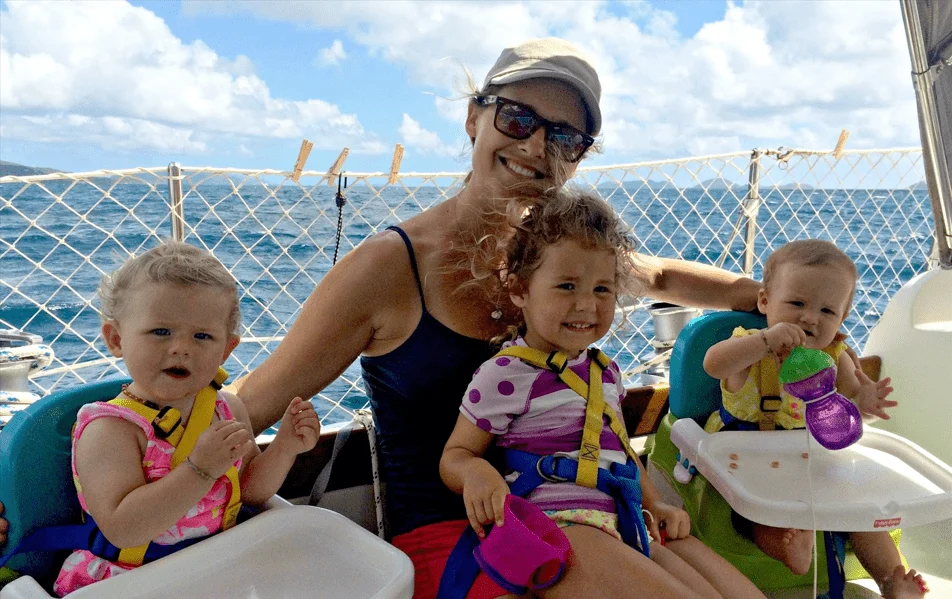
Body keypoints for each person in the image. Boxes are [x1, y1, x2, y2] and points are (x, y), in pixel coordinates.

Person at [233, 38, 765, 599]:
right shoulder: (391, 267)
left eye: (564, 137)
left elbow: (657, 278)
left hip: (588, 507)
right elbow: (257, 399)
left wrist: (771, 303)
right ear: (473, 117)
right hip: (462, 534)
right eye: (518, 118)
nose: (537, 146)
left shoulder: (560, 257)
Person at [440, 188, 768, 599]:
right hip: (559, 525)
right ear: (520, 289)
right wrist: (474, 472)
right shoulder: (504, 374)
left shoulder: (605, 371)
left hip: (626, 520)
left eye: (601, 290)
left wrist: (656, 505)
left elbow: (621, 450)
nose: (586, 305)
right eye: (566, 286)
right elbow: (456, 455)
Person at [52, 242, 320, 596]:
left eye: (202, 336)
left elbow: (250, 491)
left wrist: (286, 446)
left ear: (226, 348)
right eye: (161, 331)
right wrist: (200, 469)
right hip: (132, 580)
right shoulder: (110, 430)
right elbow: (124, 529)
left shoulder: (228, 410)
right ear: (116, 339)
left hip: (215, 567)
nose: (182, 347)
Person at [702, 239, 928, 599]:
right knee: (763, 513)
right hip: (748, 456)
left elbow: (853, 394)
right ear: (765, 302)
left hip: (811, 455)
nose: (810, 318)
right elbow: (714, 364)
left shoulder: (833, 354)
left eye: (827, 311)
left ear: (841, 318)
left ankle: (891, 580)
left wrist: (866, 399)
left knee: (861, 511)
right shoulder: (748, 343)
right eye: (796, 303)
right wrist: (765, 341)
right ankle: (790, 546)